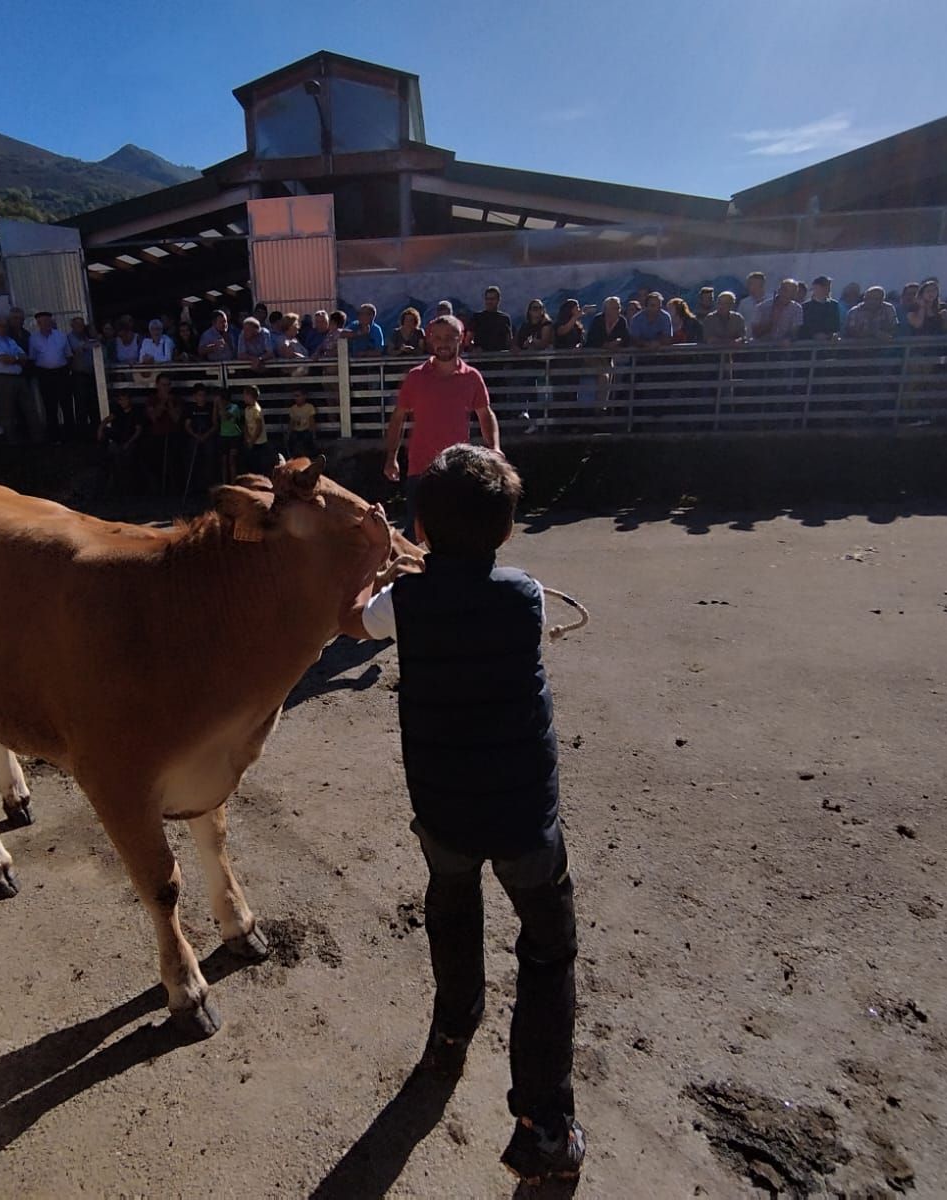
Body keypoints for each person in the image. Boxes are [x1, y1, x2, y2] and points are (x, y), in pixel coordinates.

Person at [340, 443, 584, 1184]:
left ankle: (452, 1030)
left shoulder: (401, 603)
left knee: (451, 906)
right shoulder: (527, 594)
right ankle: (542, 1124)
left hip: (443, 805)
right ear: (508, 531)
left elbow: (356, 622)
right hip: (523, 815)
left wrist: (385, 565)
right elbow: (477, 592)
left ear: (420, 521)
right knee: (547, 952)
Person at [382, 315, 501, 535]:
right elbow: (398, 418)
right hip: (421, 469)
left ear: (461, 338)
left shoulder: (472, 377)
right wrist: (391, 458)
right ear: (429, 339)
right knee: (417, 532)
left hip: (457, 469)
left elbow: (485, 414)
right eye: (437, 337)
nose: (443, 343)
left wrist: (494, 447)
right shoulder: (416, 377)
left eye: (449, 337)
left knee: (460, 531)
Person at [0, 314, 35, 443]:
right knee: (7, 410)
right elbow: (3, 359)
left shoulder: (10, 340)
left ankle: (36, 438)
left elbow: (24, 356)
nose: (4, 328)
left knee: (29, 408)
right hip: (2, 379)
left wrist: (15, 359)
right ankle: (12, 441)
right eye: (1, 326)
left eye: (6, 326)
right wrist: (17, 359)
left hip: (18, 377)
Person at [27, 311, 74, 441]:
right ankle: (54, 436)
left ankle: (70, 435)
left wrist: (65, 371)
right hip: (45, 375)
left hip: (61, 373)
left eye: (49, 321)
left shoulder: (61, 336)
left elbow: (69, 355)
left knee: (67, 404)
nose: (47, 323)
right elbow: (32, 358)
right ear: (38, 323)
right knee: (50, 406)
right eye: (44, 321)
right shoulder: (33, 338)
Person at [97, 387, 148, 496]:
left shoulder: (136, 412)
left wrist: (128, 443)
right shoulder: (117, 411)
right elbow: (107, 420)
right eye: (121, 399)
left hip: (132, 442)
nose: (123, 402)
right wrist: (100, 429)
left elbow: (138, 431)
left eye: (125, 399)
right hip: (119, 440)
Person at [182, 382, 219, 492]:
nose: (202, 398)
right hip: (195, 436)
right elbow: (187, 425)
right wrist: (196, 435)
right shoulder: (190, 409)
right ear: (194, 396)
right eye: (199, 395)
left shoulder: (210, 408)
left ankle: (209, 485)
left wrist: (206, 435)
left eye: (204, 395)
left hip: (208, 436)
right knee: (190, 455)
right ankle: (193, 486)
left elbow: (215, 424)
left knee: (210, 456)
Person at [68, 316, 101, 434]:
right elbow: (78, 348)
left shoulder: (87, 337)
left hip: (92, 375)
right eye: (77, 325)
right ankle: (82, 433)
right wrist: (89, 345)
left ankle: (95, 431)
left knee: (93, 403)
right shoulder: (70, 337)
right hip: (79, 375)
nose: (80, 327)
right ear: (72, 326)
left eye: (82, 325)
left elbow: (97, 344)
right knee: (81, 405)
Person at [469, 287, 514, 354]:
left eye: (492, 299)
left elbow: (509, 341)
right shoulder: (477, 317)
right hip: (480, 359)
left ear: (498, 300)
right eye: (487, 299)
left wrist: (513, 348)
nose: (489, 302)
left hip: (500, 358)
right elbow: (468, 339)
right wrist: (474, 348)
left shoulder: (504, 318)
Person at [798, 277, 843, 341]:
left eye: (828, 286)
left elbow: (836, 325)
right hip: (810, 343)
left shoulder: (834, 305)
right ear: (815, 287)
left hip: (829, 344)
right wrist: (814, 335)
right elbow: (803, 327)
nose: (828, 289)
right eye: (824, 286)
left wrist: (833, 334)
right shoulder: (805, 307)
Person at [240, 384, 270, 474]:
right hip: (250, 441)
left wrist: (252, 441)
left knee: (259, 464)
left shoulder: (256, 410)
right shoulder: (247, 409)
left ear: (250, 396)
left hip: (258, 442)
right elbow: (246, 424)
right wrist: (247, 437)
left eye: (245, 395)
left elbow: (259, 427)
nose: (243, 397)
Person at [218, 388, 244, 483]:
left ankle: (233, 484)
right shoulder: (218, 408)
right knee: (224, 462)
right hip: (223, 436)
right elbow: (214, 420)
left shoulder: (234, 407)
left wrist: (220, 406)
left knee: (232, 461)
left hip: (234, 436)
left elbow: (225, 417)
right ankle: (225, 483)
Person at [286, 389, 317, 459]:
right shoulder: (293, 408)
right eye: (295, 396)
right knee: (292, 440)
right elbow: (291, 422)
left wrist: (313, 433)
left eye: (298, 396)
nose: (296, 398)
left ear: (304, 396)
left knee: (307, 440)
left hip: (306, 430)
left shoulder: (309, 407)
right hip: (296, 431)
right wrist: (288, 433)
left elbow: (312, 420)